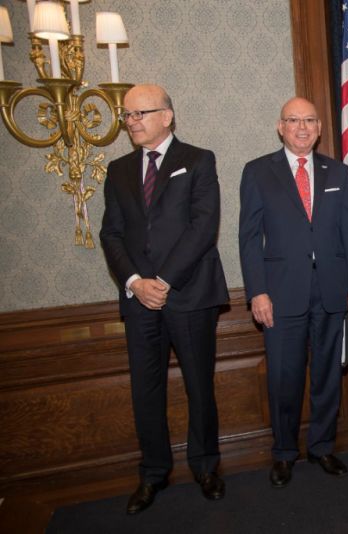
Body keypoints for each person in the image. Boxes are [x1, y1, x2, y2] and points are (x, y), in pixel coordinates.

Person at [99, 84, 229, 514]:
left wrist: (164, 280)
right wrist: (136, 282)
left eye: (140, 113)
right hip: (139, 300)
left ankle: (206, 466)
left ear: (167, 116)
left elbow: (203, 227)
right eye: (128, 115)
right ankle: (153, 472)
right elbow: (111, 234)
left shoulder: (198, 160)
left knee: (199, 385)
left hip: (189, 294)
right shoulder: (118, 170)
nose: (132, 121)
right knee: (146, 390)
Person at [238, 97, 348, 489]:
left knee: (328, 375)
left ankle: (322, 446)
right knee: (284, 377)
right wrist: (257, 292)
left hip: (332, 290)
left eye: (310, 120)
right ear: (281, 127)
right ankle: (283, 452)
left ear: (319, 128)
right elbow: (249, 238)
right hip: (281, 295)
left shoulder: (338, 172)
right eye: (293, 120)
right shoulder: (258, 171)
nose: (302, 127)